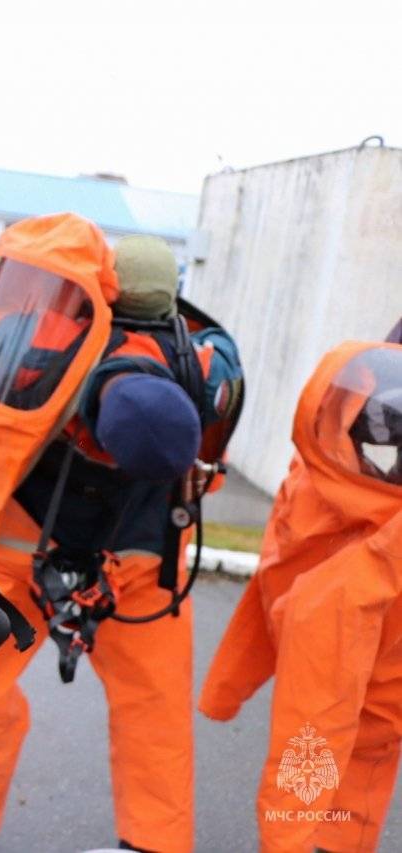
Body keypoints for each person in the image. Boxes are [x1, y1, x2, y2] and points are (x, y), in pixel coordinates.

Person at [0, 227, 242, 853]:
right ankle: (155, 843)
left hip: (11, 553)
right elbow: (203, 479)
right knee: (155, 715)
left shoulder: (13, 328)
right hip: (144, 563)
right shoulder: (207, 366)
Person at [200, 340, 402, 853]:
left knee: (332, 745)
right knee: (351, 751)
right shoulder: (330, 506)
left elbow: (273, 580)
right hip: (371, 700)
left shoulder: (320, 490)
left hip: (356, 682)